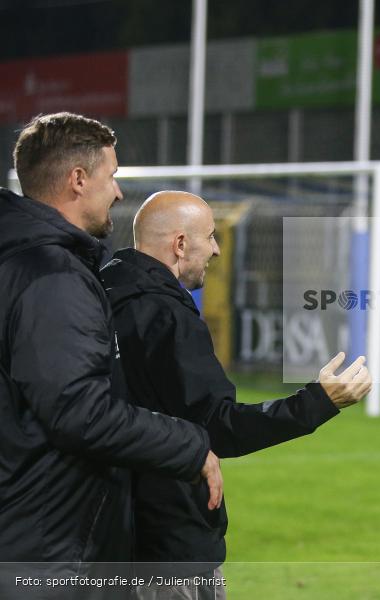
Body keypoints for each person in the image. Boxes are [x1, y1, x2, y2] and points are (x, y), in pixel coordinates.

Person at [100, 190, 372, 599]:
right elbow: (220, 427)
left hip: (107, 531)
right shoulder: (169, 316)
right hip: (168, 540)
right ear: (179, 244)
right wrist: (320, 400)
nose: (215, 250)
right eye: (210, 237)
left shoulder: (95, 295)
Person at [0, 112, 222, 597]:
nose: (118, 192)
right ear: (78, 180)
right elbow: (78, 411)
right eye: (112, 176)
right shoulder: (52, 276)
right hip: (52, 552)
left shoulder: (21, 261)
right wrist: (189, 445)